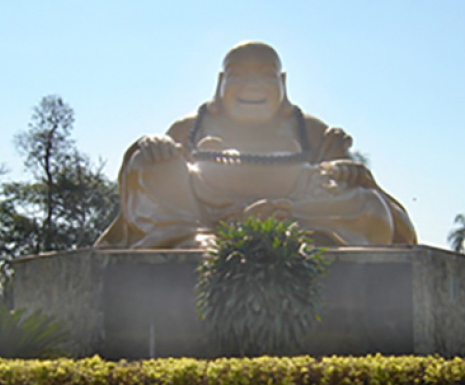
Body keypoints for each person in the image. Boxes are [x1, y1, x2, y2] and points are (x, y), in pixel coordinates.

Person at [96, 41, 416, 249]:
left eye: (265, 76)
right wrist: (154, 144)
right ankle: (188, 238)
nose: (252, 85)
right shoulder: (192, 125)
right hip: (203, 210)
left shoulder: (310, 129)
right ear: (221, 83)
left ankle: (297, 235)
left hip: (294, 207)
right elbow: (164, 175)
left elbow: (339, 173)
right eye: (239, 75)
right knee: (146, 161)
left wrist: (343, 168)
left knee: (366, 205)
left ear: (283, 83)